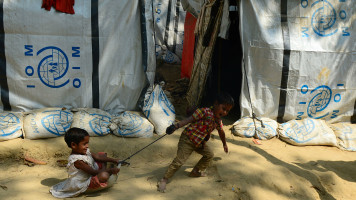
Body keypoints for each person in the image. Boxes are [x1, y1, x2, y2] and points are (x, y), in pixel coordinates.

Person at [157, 92, 234, 192]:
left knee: (209, 154)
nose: (224, 112)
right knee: (180, 161)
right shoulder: (204, 111)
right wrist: (175, 126)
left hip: (199, 142)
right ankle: (164, 179)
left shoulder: (218, 121)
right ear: (216, 104)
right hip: (187, 139)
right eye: (223, 108)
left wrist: (224, 144)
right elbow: (188, 120)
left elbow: (221, 132)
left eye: (227, 111)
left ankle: (195, 171)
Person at [50, 128, 120, 198]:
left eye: (87, 143)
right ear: (73, 145)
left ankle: (105, 170)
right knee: (104, 175)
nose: (87, 146)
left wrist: (114, 160)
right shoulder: (77, 161)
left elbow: (97, 157)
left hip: (92, 170)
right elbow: (93, 172)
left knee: (102, 155)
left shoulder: (85, 151)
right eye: (84, 144)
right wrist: (110, 171)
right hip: (85, 181)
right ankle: (105, 171)